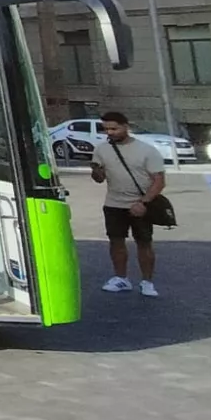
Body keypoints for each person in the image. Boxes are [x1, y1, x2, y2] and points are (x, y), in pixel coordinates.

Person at [89, 111, 166, 297]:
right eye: (106, 129)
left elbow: (159, 181)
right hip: (113, 203)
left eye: (114, 128)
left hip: (141, 203)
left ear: (126, 127)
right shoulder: (101, 149)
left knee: (144, 243)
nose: (110, 132)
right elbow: (99, 179)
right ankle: (120, 278)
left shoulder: (147, 150)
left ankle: (147, 282)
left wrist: (143, 202)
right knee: (116, 241)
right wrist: (96, 172)